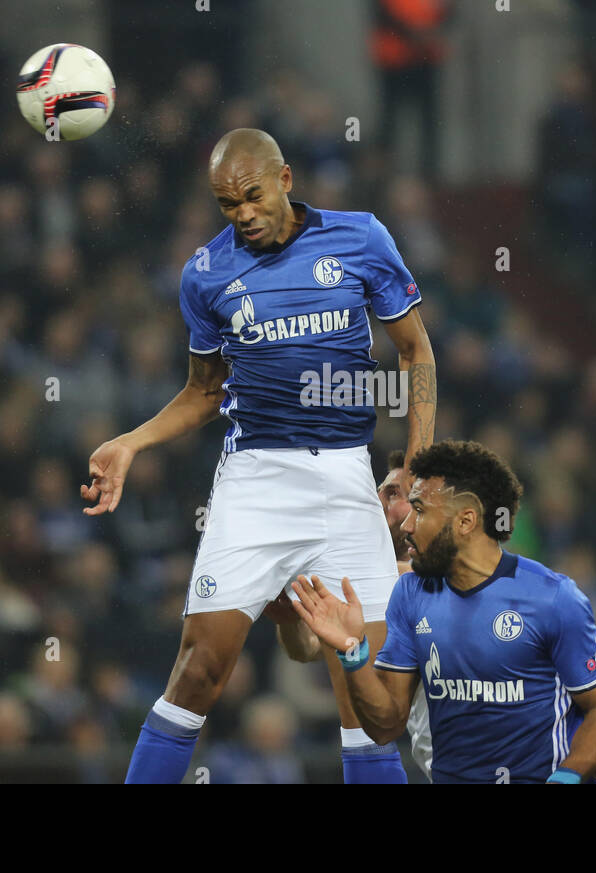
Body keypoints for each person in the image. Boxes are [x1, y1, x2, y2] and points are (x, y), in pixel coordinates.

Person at [81, 128, 437, 784]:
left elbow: (415, 352)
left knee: (371, 703)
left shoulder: (360, 239)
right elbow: (203, 392)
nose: (242, 212)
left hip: (345, 476)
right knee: (198, 670)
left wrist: (417, 474)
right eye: (226, 203)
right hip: (255, 479)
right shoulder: (207, 273)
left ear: (286, 180)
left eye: (250, 195)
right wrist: (130, 441)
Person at [290, 440, 596, 783]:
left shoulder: (552, 597)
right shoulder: (411, 594)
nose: (406, 526)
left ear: (465, 520)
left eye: (419, 510)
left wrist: (567, 777)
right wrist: (352, 652)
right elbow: (385, 726)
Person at [265, 449, 435, 779]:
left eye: (396, 493)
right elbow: (309, 649)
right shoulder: (349, 577)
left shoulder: (453, 577)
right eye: (381, 491)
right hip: (433, 758)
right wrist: (289, 618)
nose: (381, 503)